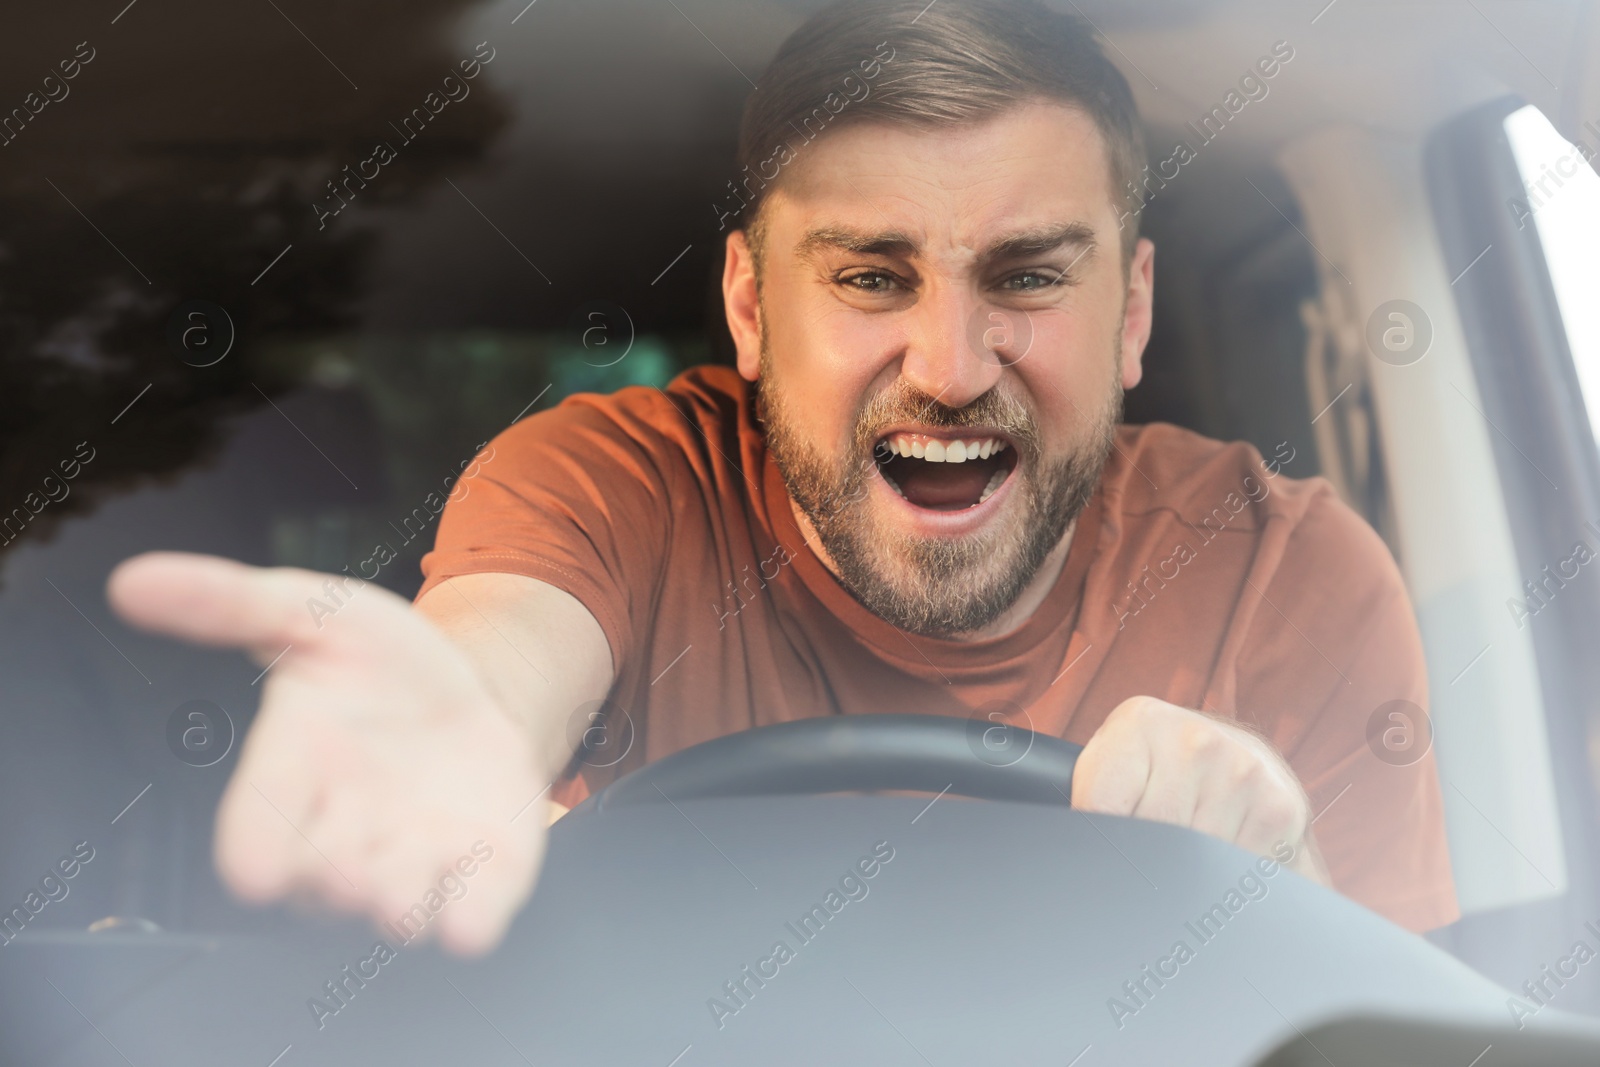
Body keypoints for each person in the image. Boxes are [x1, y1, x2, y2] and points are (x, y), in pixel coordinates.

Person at [106, 0, 1457, 956]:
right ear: (750, 310)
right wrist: (451, 725)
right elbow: (503, 650)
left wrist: (1292, 898)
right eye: (871, 277)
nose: (947, 365)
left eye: (1030, 276)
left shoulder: (1293, 577)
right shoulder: (618, 480)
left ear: (1135, 310)